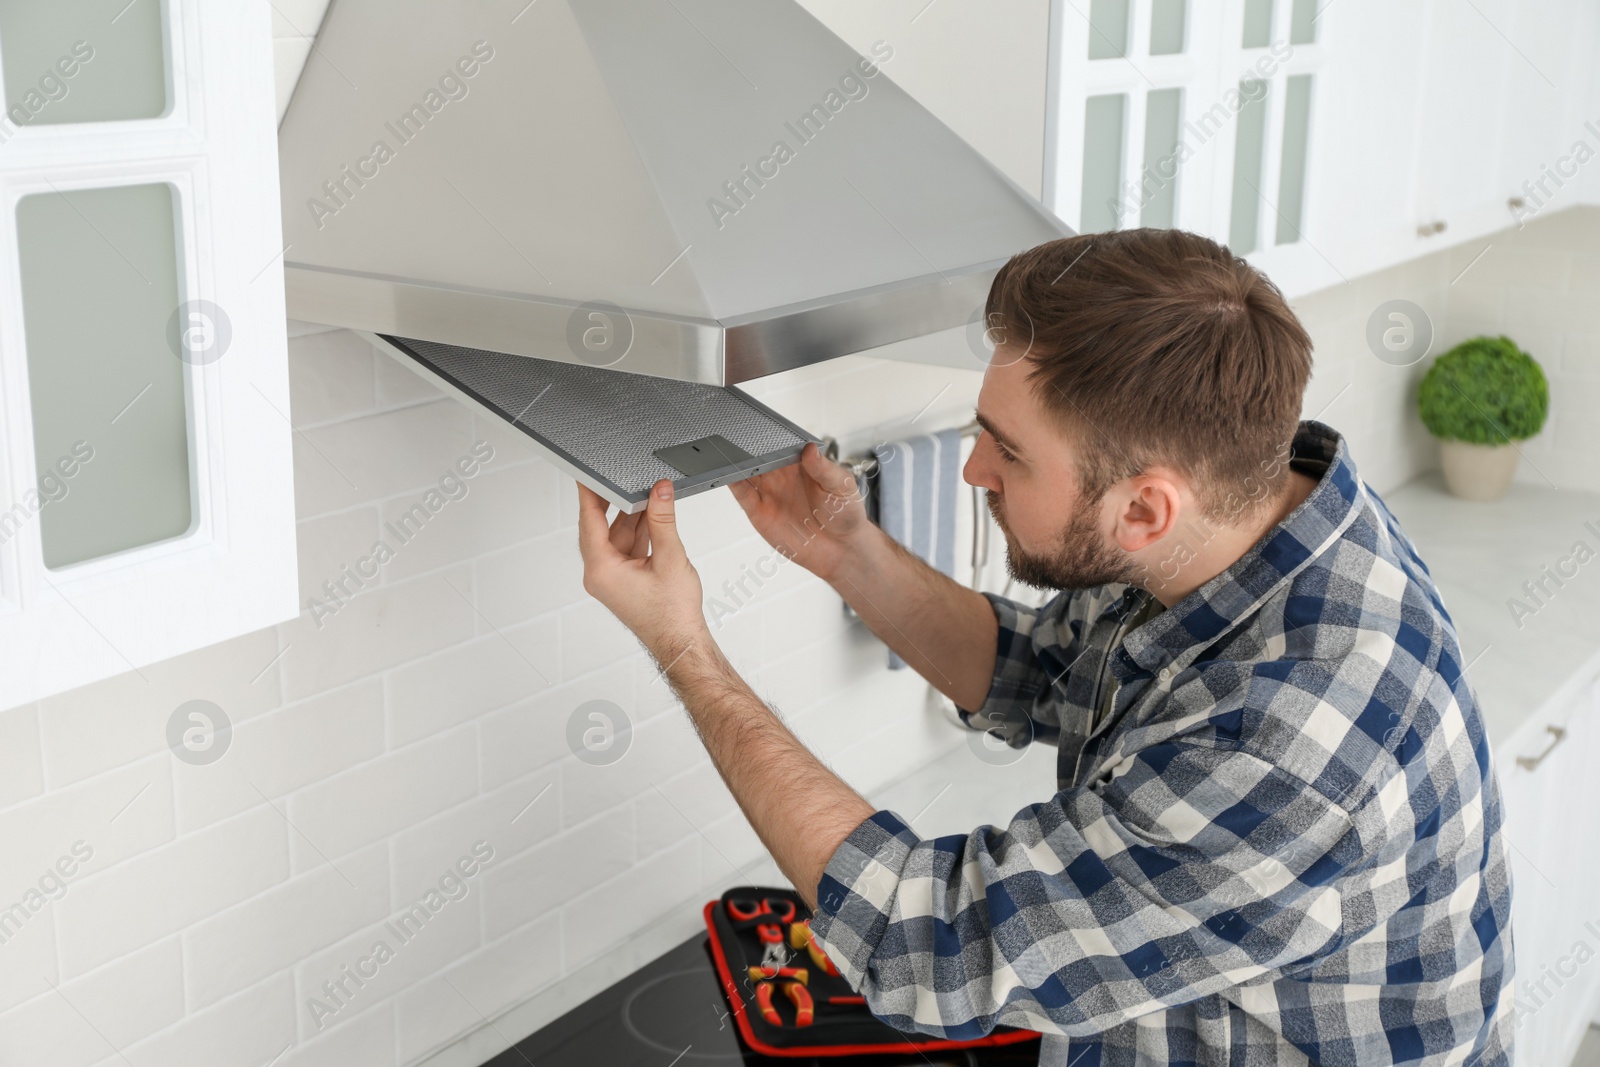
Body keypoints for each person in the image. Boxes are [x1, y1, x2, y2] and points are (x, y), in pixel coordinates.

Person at [576, 228, 1514, 1066]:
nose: (974, 467)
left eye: (1006, 451)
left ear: (1146, 507)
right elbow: (1047, 667)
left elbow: (929, 946)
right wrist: (842, 545)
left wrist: (682, 645)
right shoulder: (1260, 518)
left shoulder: (1283, 749)